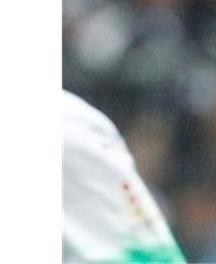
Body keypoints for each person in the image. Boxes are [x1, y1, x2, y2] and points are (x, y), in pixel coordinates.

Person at [63, 90, 187, 263]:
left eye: (160, 140)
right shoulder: (71, 125)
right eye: (146, 138)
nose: (155, 151)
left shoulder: (71, 122)